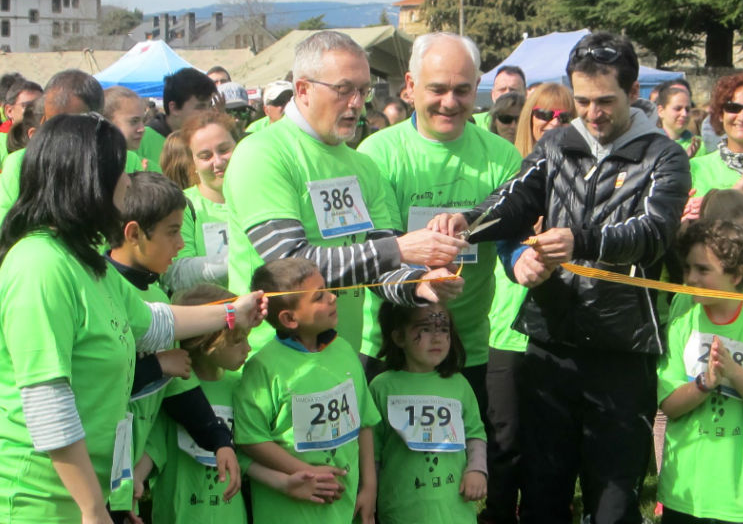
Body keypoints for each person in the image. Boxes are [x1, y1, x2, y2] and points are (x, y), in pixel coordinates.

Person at [430, 31, 691, 523]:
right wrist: (469, 222)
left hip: (622, 351)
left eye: (605, 101)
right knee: (544, 494)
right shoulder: (556, 144)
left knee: (612, 501)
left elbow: (654, 233)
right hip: (550, 345)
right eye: (583, 100)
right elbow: (514, 202)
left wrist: (581, 240)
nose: (592, 113)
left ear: (634, 93)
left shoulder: (664, 155)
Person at [0, 114, 267, 524]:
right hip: (41, 502)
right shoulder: (40, 266)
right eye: (120, 172)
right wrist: (93, 508)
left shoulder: (85, 262)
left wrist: (233, 312)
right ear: (90, 181)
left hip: (88, 495)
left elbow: (152, 322)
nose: (129, 181)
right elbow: (47, 401)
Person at [223, 30, 467, 353]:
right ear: (303, 89)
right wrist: (399, 248)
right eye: (343, 90)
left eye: (364, 91)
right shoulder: (262, 154)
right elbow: (291, 266)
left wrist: (420, 284)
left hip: (342, 357)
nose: (357, 104)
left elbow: (381, 270)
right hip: (270, 361)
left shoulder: (362, 165)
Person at [357, 32, 521, 414]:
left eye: (462, 91)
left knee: (466, 463)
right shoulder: (377, 154)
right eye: (438, 89)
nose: (450, 102)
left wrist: (521, 261)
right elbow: (377, 248)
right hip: (389, 342)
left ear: (478, 87)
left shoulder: (502, 156)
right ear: (410, 86)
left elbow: (510, 238)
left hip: (467, 346)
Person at [105, 171, 241, 521]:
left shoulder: (156, 292)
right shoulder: (101, 290)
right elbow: (98, 382)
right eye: (172, 231)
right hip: (86, 479)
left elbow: (179, 385)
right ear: (134, 233)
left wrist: (218, 439)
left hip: (122, 480)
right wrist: (157, 365)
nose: (181, 244)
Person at [143, 283, 339, 524]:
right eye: (237, 341)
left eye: (246, 338)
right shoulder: (175, 393)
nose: (247, 348)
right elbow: (152, 450)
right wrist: (130, 487)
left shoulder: (241, 386)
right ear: (204, 344)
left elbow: (245, 457)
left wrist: (285, 483)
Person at [481, 80, 575, 524]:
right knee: (505, 449)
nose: (553, 124)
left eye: (563, 117)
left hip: (563, 334)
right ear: (527, 121)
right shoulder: (512, 178)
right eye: (544, 115)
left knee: (551, 456)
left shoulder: (584, 181)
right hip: (507, 331)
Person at [658, 220, 743, 524]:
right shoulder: (682, 326)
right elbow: (670, 405)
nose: (691, 278)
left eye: (703, 270)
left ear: (736, 274)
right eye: (688, 268)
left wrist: (733, 372)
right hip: (686, 489)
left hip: (740, 492)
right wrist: (705, 383)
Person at [234, 258, 380, 524]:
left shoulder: (345, 351)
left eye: (327, 289)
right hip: (289, 509)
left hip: (342, 508)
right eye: (319, 296)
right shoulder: (263, 368)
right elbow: (250, 439)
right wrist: (305, 473)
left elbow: (365, 422)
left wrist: (369, 486)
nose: (333, 298)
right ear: (289, 318)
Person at [370, 301, 487, 524]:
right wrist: (369, 496)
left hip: (455, 512)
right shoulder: (381, 387)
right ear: (398, 337)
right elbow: (371, 452)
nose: (437, 338)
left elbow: (475, 433)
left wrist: (477, 470)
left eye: (444, 329)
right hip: (401, 512)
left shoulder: (459, 385)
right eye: (425, 329)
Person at [0, 69, 105, 224]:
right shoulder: (20, 162)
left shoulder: (113, 159)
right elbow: (4, 220)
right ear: (44, 120)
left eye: (80, 125)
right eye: (59, 123)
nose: (70, 134)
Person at [164, 110, 236, 293]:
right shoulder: (181, 206)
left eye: (224, 150)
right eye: (206, 156)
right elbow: (176, 274)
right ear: (193, 162)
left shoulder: (261, 194)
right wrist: (243, 259)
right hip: (213, 317)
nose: (218, 162)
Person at [137, 68, 216, 172]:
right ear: (174, 108)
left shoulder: (210, 138)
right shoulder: (141, 139)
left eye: (209, 105)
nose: (208, 113)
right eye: (200, 107)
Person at [515, 82, 576, 158]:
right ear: (529, 118)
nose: (555, 123)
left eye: (564, 117)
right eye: (545, 114)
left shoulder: (587, 166)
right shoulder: (511, 164)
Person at [103, 86, 148, 173]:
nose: (142, 129)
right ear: (107, 122)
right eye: (134, 121)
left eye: (143, 120)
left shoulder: (131, 159)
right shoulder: (88, 162)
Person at [657, 85, 706, 159]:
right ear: (661, 111)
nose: (684, 114)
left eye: (687, 109)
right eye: (677, 109)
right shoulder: (650, 145)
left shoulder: (701, 144)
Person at [472, 65, 526, 131]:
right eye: (502, 89)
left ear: (525, 94)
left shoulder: (533, 123)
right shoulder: (474, 123)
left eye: (513, 90)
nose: (507, 94)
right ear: (493, 94)